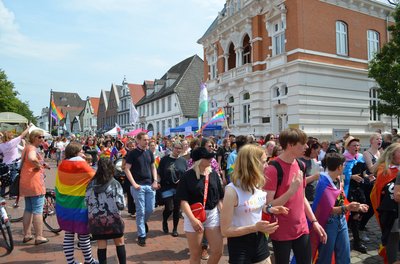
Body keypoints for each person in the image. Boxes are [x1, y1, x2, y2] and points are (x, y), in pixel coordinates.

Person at [263, 128, 327, 264]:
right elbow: (268, 205)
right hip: (281, 231)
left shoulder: (301, 165)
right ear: (290, 145)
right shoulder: (273, 169)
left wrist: (314, 221)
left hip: (302, 228)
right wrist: (290, 191)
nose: (306, 147)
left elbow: (302, 197)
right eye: (302, 143)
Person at [221, 144, 288, 264]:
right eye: (264, 162)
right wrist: (254, 227)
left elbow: (255, 205)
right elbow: (225, 231)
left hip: (260, 240)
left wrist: (270, 209)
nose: (267, 165)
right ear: (252, 164)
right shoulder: (232, 191)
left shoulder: (257, 184)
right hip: (239, 245)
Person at [311, 152, 368, 263]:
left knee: (344, 254)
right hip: (328, 223)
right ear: (339, 167)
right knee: (325, 257)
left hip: (340, 219)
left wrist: (357, 206)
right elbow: (329, 210)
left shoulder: (337, 179)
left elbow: (341, 200)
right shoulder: (323, 182)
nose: (345, 167)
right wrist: (348, 208)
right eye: (344, 165)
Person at [176, 147, 224, 264]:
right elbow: (183, 201)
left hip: (212, 214)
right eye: (207, 157)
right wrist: (192, 220)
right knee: (195, 255)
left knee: (218, 251)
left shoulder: (214, 175)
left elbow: (219, 197)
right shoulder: (187, 176)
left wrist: (223, 213)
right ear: (199, 160)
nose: (211, 159)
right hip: (194, 215)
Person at [55, 142, 98, 264]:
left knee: (69, 234)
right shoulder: (81, 164)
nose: (83, 153)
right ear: (76, 152)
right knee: (84, 235)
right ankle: (89, 260)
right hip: (79, 205)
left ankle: (71, 262)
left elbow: (59, 183)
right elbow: (95, 176)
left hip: (65, 205)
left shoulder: (62, 164)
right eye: (82, 151)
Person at [86, 158, 126, 264]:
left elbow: (86, 201)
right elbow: (121, 204)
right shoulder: (115, 184)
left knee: (101, 245)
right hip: (113, 220)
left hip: (96, 221)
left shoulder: (91, 183)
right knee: (120, 242)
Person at [124, 132, 159, 247]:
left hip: (149, 185)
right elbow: (127, 169)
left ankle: (143, 223)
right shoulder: (132, 154)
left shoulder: (149, 152)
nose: (147, 141)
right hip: (138, 186)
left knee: (150, 209)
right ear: (138, 140)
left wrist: (155, 181)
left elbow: (153, 167)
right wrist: (133, 184)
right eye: (144, 139)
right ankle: (141, 235)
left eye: (147, 140)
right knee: (140, 211)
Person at [19, 129, 50, 245]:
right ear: (33, 138)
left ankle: (27, 234)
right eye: (39, 137)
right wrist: (38, 165)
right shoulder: (32, 149)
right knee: (37, 210)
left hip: (26, 182)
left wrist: (41, 164)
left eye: (43, 137)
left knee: (28, 209)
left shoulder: (27, 147)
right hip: (34, 183)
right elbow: (32, 158)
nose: (42, 139)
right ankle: (39, 236)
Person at [371, 143, 400, 264]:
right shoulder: (384, 169)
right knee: (393, 237)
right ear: (392, 154)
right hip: (391, 211)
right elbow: (379, 190)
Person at [343, 136, 371, 253]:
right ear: (348, 147)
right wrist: (351, 177)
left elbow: (364, 174)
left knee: (360, 213)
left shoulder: (360, 158)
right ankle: (357, 242)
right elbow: (339, 176)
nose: (356, 147)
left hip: (359, 191)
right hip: (349, 191)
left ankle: (356, 238)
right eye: (354, 145)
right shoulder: (344, 159)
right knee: (354, 216)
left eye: (358, 145)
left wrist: (367, 177)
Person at [158, 141, 188, 237]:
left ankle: (175, 229)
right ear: (172, 147)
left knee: (176, 209)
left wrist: (183, 181)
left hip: (179, 188)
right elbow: (159, 172)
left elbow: (186, 173)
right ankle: (165, 220)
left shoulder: (183, 161)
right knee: (169, 208)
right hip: (167, 186)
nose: (178, 150)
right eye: (176, 148)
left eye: (180, 148)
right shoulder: (164, 159)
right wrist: (157, 182)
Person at [360, 132, 382, 241]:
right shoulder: (366, 153)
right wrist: (382, 160)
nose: (380, 140)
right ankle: (360, 228)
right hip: (369, 185)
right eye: (377, 138)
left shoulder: (380, 153)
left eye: (381, 139)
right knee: (370, 208)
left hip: (380, 184)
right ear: (371, 141)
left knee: (379, 208)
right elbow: (372, 169)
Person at [0, 124, 31, 196]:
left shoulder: (1, 145)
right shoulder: (13, 142)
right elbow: (22, 135)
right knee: (13, 180)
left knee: (4, 180)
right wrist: (29, 128)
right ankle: (12, 194)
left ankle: (2, 195)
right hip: (14, 163)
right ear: (10, 136)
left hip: (5, 164)